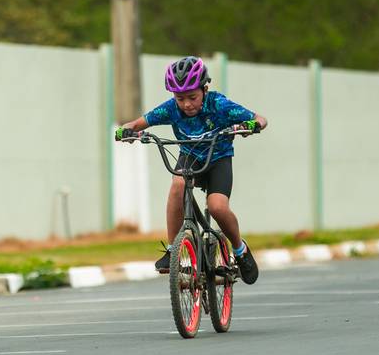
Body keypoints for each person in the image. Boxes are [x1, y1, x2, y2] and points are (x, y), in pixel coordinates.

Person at [114, 56, 267, 284]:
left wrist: (251, 126)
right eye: (180, 98)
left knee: (217, 207)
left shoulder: (219, 105)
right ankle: (173, 251)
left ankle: (240, 250)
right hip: (190, 156)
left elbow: (260, 119)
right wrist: (125, 130)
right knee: (177, 184)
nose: (186, 104)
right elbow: (137, 123)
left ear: (205, 89)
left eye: (192, 97)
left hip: (218, 158)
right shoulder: (170, 109)